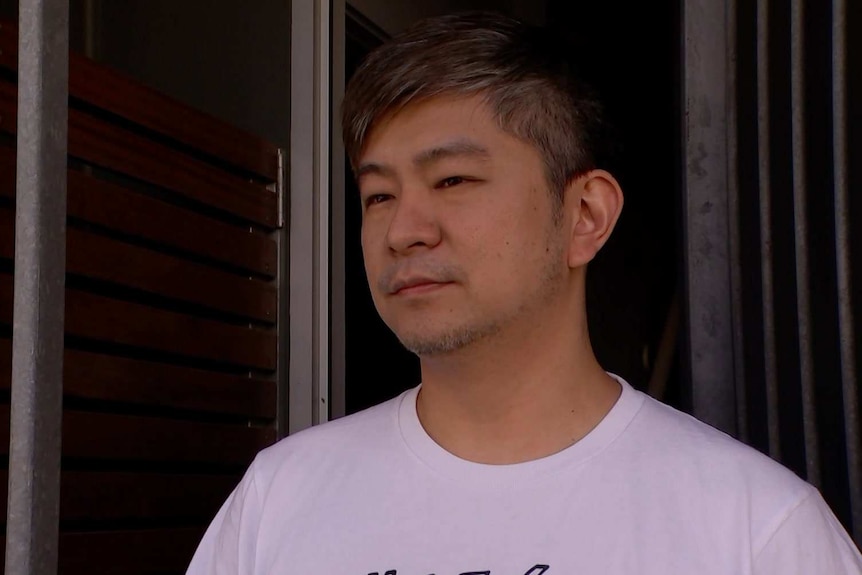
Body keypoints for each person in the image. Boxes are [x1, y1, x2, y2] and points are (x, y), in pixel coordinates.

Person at [186, 11, 862, 574]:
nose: (403, 231)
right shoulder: (278, 499)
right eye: (379, 194)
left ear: (586, 216)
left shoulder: (756, 529)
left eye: (452, 180)